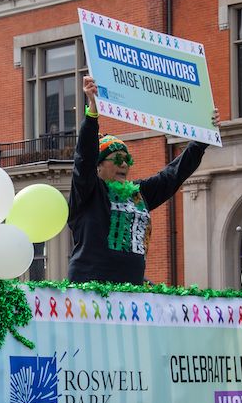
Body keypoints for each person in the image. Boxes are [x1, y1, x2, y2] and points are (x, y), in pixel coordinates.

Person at [68, 77, 215, 284]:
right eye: (118, 159)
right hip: (92, 289)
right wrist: (92, 112)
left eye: (127, 160)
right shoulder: (88, 192)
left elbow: (172, 176)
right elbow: (84, 158)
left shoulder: (138, 192)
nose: (124, 165)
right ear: (98, 166)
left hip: (131, 290)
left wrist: (200, 141)